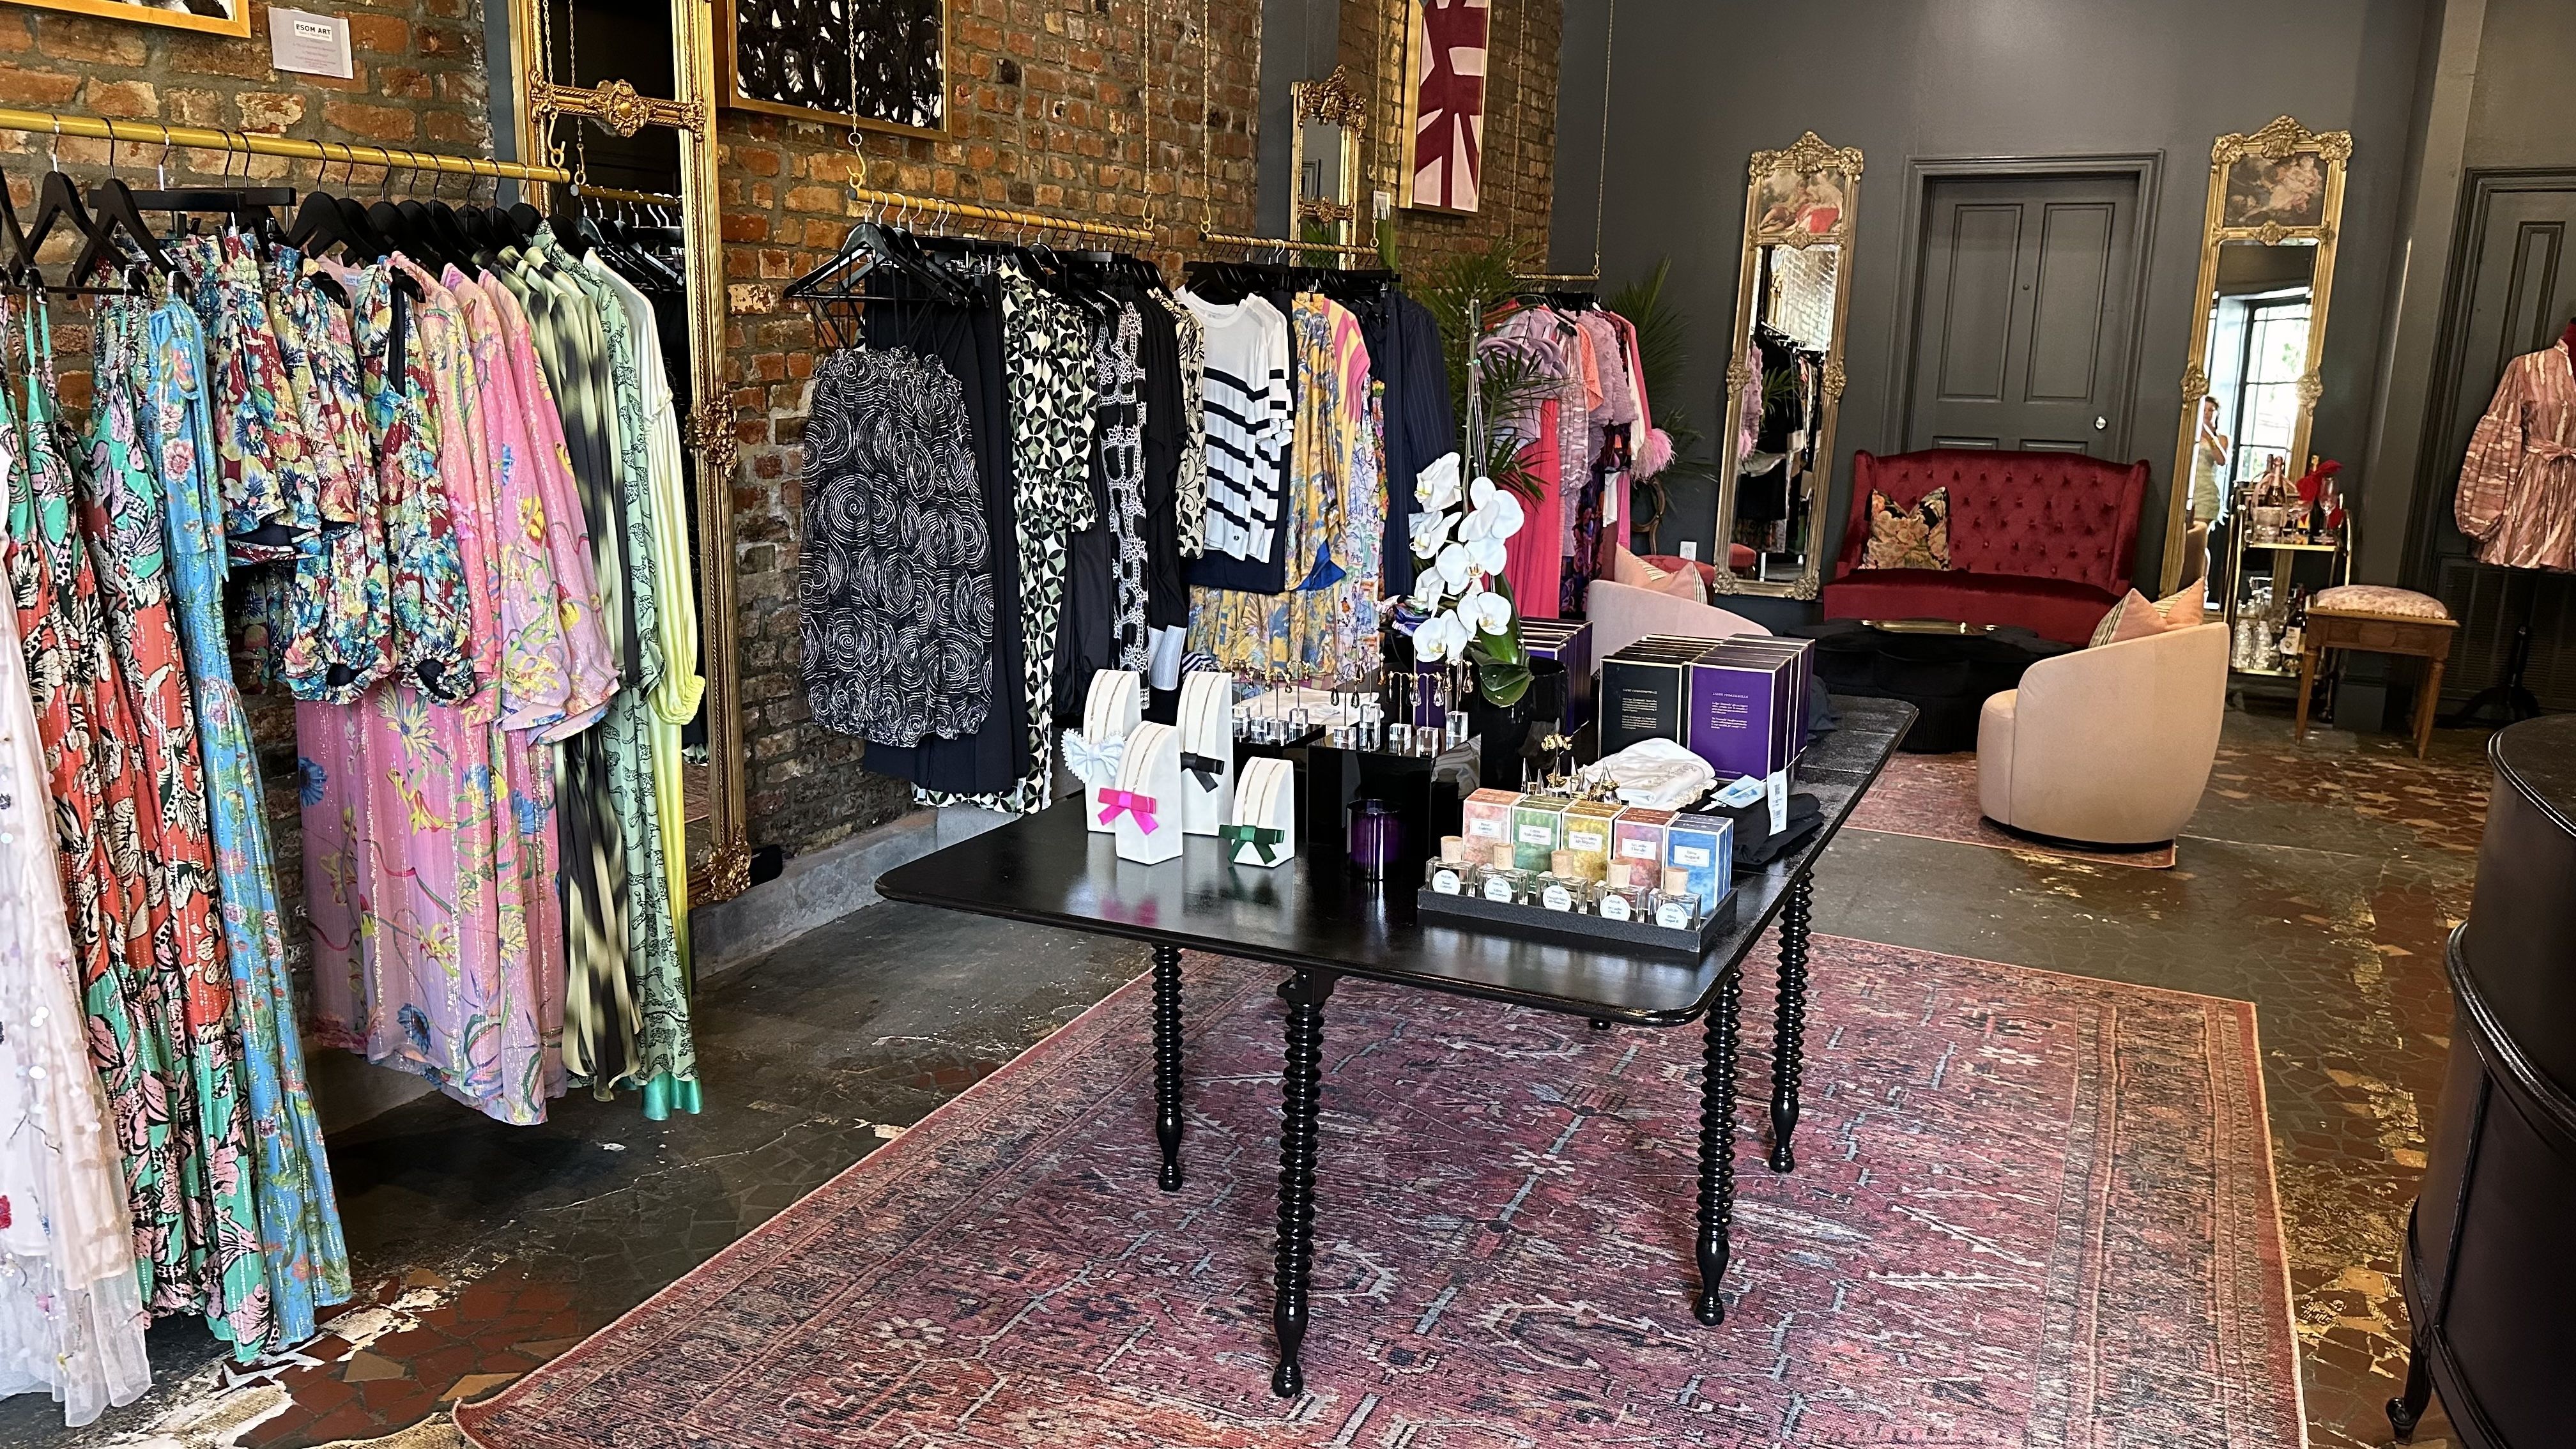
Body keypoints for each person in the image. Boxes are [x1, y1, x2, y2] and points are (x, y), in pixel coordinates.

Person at [2193, 395, 2229, 523]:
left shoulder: (2221, 439)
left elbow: (2221, 461)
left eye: (2211, 410)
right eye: (2204, 409)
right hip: (2189, 488)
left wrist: (2209, 437)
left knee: (2200, 530)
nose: (2207, 413)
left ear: (2217, 413)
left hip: (2206, 492)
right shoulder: (2190, 434)